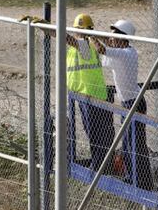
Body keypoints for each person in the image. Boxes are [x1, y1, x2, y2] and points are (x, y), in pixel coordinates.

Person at [93, 20, 153, 190]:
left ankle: (140, 180)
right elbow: (108, 47)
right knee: (128, 143)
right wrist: (102, 37)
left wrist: (90, 36)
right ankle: (131, 176)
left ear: (124, 39)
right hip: (127, 103)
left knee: (135, 143)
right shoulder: (121, 52)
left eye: (115, 37)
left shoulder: (127, 53)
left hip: (134, 103)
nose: (112, 40)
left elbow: (102, 49)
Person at [64, 14, 115, 171]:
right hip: (88, 94)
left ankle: (99, 167)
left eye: (77, 30)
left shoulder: (84, 46)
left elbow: (64, 37)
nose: (75, 33)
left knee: (95, 134)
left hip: (91, 95)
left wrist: (45, 26)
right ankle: (102, 164)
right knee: (97, 134)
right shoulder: (84, 46)